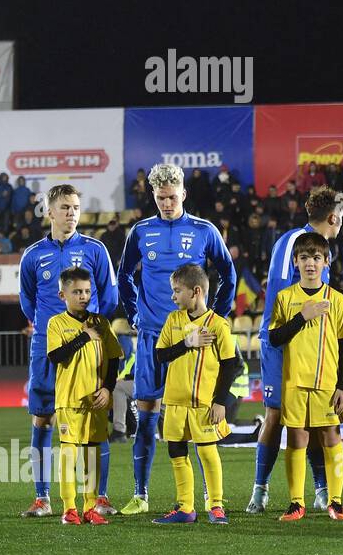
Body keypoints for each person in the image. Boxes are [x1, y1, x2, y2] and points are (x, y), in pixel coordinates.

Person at [117, 163, 236, 515]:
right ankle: (141, 495)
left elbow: (227, 273)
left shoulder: (204, 230)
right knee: (148, 411)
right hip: (154, 334)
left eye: (172, 196)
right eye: (160, 197)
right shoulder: (140, 232)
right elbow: (124, 276)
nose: (167, 203)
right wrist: (135, 313)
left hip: (195, 337)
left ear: (183, 193)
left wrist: (218, 314)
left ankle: (210, 502)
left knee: (200, 415)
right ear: (153, 196)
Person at [19, 184, 119, 518]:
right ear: (49, 212)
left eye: (75, 207)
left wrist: (92, 330)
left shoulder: (95, 249)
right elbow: (27, 301)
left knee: (95, 415)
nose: (71, 213)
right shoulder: (33, 255)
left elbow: (109, 296)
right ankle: (42, 498)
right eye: (64, 207)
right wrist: (54, 328)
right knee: (43, 417)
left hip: (89, 342)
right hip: (49, 346)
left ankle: (100, 498)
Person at [246, 187, 343, 514]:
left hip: (311, 345)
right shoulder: (295, 243)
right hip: (282, 342)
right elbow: (283, 296)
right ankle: (260, 490)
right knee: (276, 415)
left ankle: (319, 489)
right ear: (334, 217)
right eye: (341, 217)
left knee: (315, 417)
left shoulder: (316, 248)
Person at [267, 232, 343, 521]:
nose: (310, 264)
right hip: (294, 382)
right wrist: (302, 317)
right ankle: (296, 503)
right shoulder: (284, 298)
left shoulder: (337, 300)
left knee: (331, 437)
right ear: (295, 261)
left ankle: (336, 501)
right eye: (304, 258)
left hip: (328, 384)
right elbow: (275, 337)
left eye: (316, 258)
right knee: (296, 439)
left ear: (326, 262)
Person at [150, 264, 241, 524]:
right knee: (176, 452)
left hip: (204, 403)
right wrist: (187, 343)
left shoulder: (218, 325)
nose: (173, 296)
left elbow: (230, 365)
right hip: (174, 402)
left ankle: (215, 506)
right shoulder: (173, 320)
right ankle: (186, 507)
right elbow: (160, 355)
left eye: (177, 291)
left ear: (196, 291)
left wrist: (220, 401)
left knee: (207, 452)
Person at [46, 267, 123, 525]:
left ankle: (90, 507)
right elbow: (55, 356)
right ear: (62, 294)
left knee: (91, 454)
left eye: (87, 291)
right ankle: (69, 508)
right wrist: (83, 338)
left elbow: (113, 359)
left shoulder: (101, 322)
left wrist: (108, 388)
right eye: (77, 291)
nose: (83, 296)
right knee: (69, 454)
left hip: (95, 401)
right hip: (69, 400)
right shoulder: (56, 323)